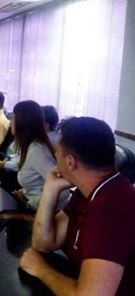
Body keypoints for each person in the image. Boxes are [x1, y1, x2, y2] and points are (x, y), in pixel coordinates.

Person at [19, 117, 135, 296]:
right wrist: (50, 189)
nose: (55, 155)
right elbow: (44, 243)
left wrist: (42, 270)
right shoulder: (88, 191)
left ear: (70, 162)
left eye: (57, 151)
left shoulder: (111, 209)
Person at [9, 101, 69, 210]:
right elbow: (38, 184)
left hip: (43, 212)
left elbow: (63, 191)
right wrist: (24, 193)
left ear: (23, 122)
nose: (11, 122)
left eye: (13, 118)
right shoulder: (30, 146)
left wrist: (29, 202)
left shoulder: (36, 151)